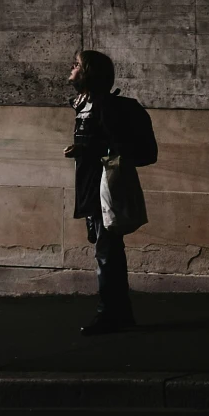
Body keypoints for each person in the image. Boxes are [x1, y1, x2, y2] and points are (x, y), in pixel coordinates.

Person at [65, 48, 139, 334]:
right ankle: (119, 313)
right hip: (92, 185)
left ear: (88, 73)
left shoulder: (103, 107)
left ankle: (110, 313)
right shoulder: (85, 104)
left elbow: (116, 146)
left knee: (106, 251)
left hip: (104, 186)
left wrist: (86, 148)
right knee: (106, 249)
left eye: (77, 65)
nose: (71, 69)